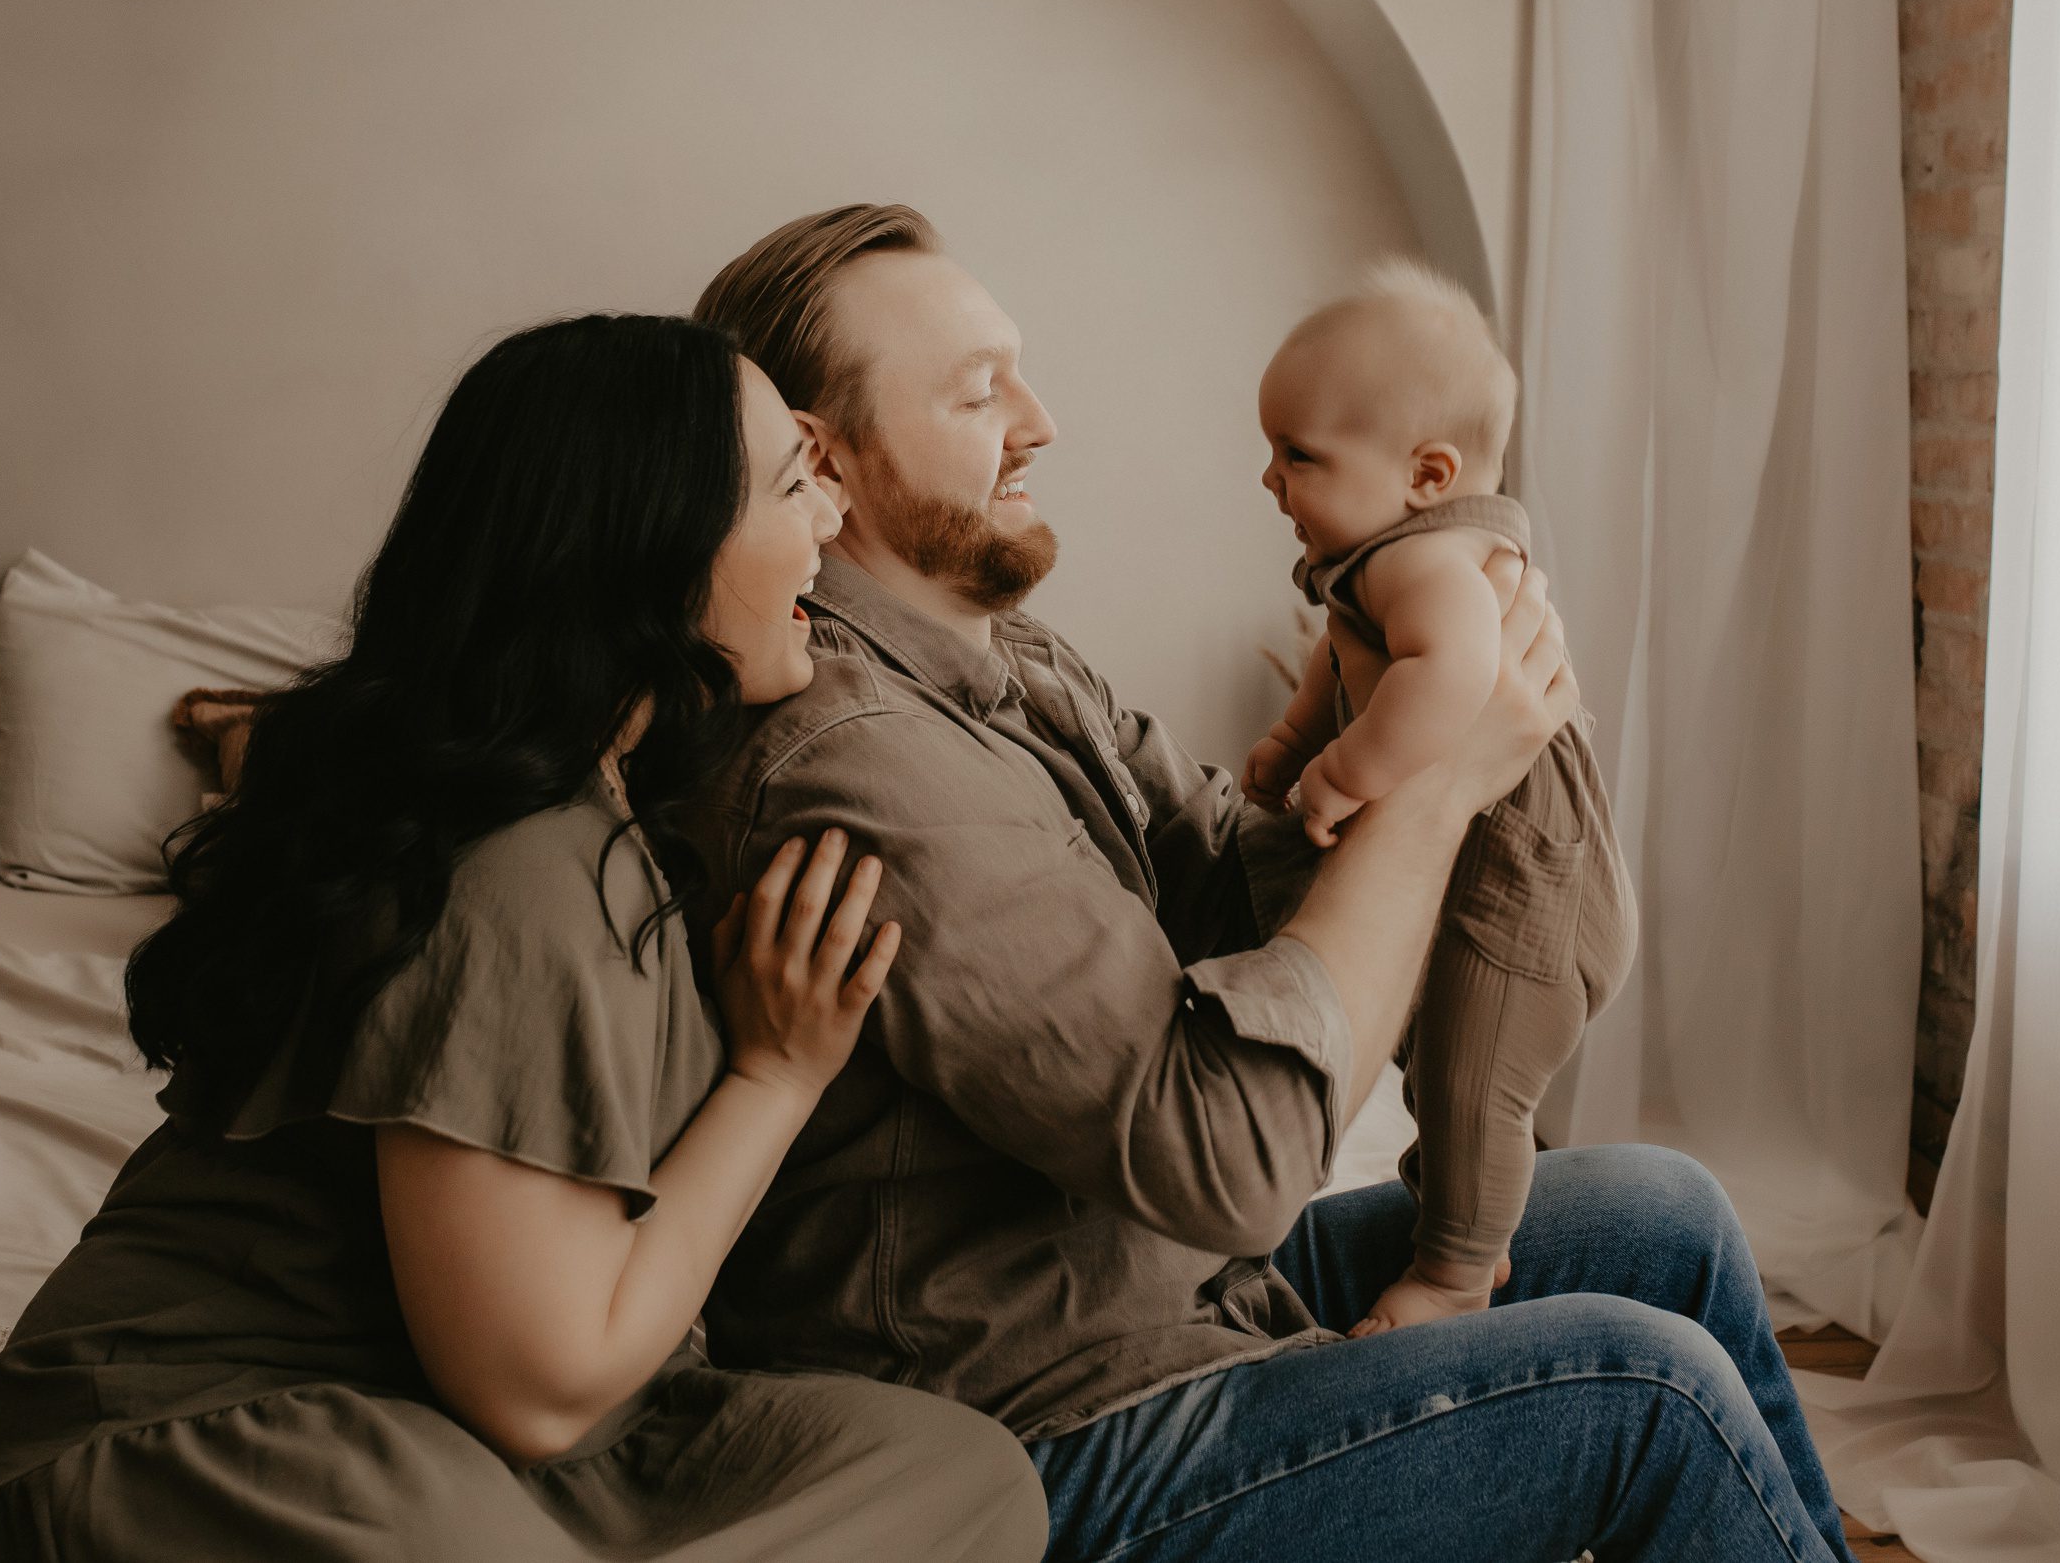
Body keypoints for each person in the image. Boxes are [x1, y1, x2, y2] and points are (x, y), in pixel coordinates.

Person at [686, 204, 1859, 1563]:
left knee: (1668, 1216)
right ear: (820, 461)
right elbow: (1233, 1160)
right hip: (1056, 1426)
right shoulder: (860, 762)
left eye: (1020, 367)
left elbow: (1235, 876)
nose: (1042, 418)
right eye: (977, 388)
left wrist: (1396, 704)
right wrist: (1435, 785)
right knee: (1650, 1394)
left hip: (1166, 1295)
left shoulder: (1012, 663)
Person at [0, 314, 1048, 1561]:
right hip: (228, 1434)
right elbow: (539, 1389)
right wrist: (774, 1074)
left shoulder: (610, 804)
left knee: (958, 1470)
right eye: (793, 485)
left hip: (470, 1435)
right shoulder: (521, 868)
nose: (831, 525)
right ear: (654, 557)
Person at [1244, 258, 1639, 1334]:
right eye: (1271, 452)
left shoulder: (1428, 561)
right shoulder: (1375, 559)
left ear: (1427, 473)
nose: (1271, 481)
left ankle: (1458, 1272)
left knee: (1472, 1089)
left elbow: (1455, 674)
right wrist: (1289, 737)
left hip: (1529, 889)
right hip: (1498, 876)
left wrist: (1345, 770)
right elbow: (1340, 660)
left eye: (1299, 456)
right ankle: (1452, 1208)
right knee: (1443, 1071)